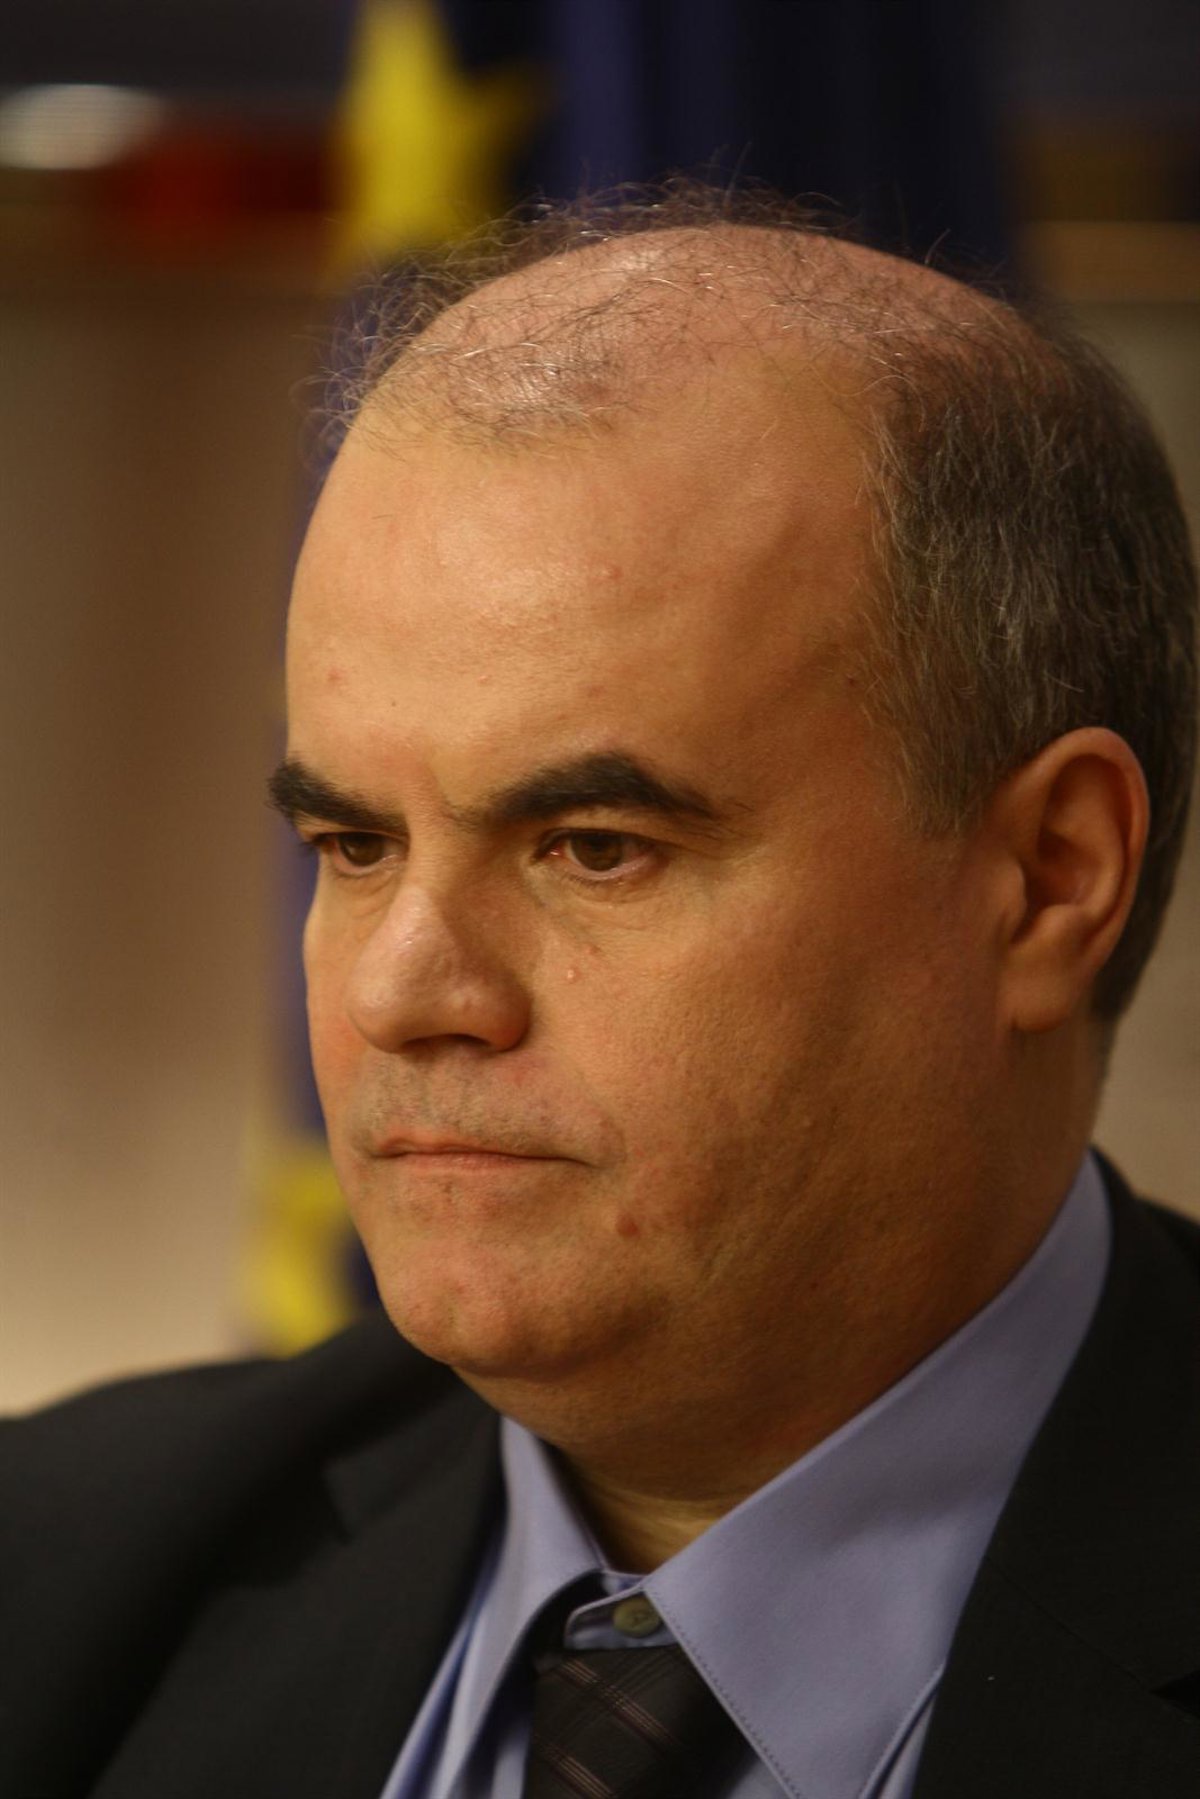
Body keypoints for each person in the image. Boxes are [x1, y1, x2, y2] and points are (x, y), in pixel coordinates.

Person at [3, 188, 1198, 1799]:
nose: (407, 991)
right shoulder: (58, 1578)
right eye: (353, 845)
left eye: (593, 848)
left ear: (1050, 879)